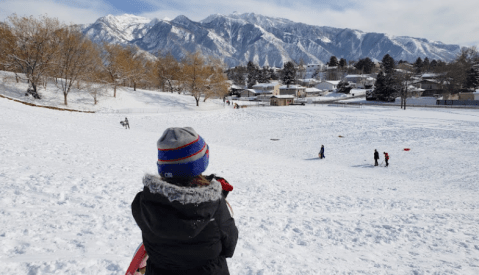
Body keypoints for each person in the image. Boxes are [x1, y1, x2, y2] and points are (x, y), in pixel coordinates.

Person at [131, 127, 238, 275]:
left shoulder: (144, 201)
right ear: (200, 163)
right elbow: (229, 247)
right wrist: (212, 198)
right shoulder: (215, 205)